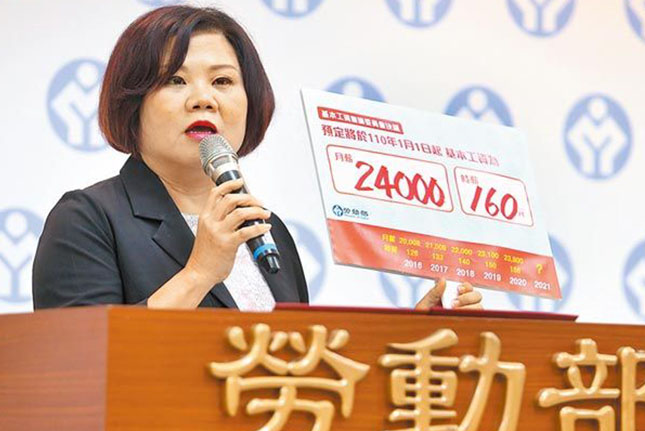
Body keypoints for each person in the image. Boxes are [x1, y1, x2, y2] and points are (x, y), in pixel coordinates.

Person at [32, 6, 483, 311]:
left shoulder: (267, 230)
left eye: (223, 82)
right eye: (175, 80)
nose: (204, 99)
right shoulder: (89, 219)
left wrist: (417, 335)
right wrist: (200, 272)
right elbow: (80, 366)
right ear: (132, 103)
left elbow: (301, 371)